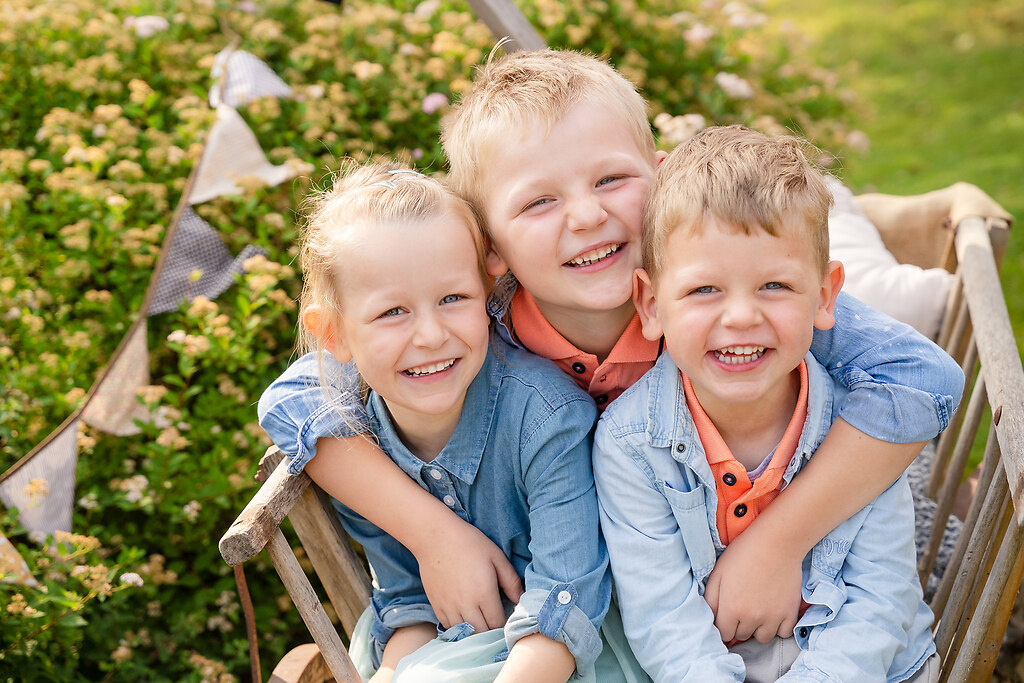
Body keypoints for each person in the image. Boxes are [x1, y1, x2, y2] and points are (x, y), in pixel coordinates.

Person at [259, 49, 968, 645]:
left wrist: (776, 544)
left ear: (659, 176)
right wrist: (433, 532)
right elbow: (300, 397)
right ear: (492, 246)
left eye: (611, 179)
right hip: (629, 592)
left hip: (789, 526)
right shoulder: (474, 321)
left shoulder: (720, 302)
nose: (588, 214)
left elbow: (922, 376)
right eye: (539, 202)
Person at [593, 125, 938, 681]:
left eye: (774, 286)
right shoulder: (630, 443)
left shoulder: (859, 428)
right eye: (705, 290)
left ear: (825, 296)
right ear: (651, 305)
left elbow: (881, 597)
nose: (741, 317)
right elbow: (663, 618)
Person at [292, 162, 645, 682]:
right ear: (334, 334)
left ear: (489, 294)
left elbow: (568, 599)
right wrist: (390, 673)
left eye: (453, 298)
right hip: (452, 651)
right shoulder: (359, 441)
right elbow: (408, 597)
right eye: (392, 312)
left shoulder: (546, 420)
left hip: (563, 652)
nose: (432, 335)